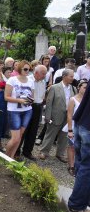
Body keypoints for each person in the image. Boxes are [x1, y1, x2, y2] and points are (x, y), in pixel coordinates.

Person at [39, 69, 76, 162]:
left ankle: (60, 154)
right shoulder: (54, 87)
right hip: (56, 115)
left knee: (64, 136)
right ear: (64, 76)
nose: (73, 78)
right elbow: (49, 103)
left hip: (68, 116)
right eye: (71, 76)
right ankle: (44, 151)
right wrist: (48, 116)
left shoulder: (74, 88)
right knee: (50, 134)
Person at [67, 79, 90, 212]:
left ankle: (83, 200)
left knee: (82, 165)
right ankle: (77, 204)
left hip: (82, 121)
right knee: (86, 167)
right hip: (86, 126)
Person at [4, 60, 34, 159]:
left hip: (27, 110)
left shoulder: (31, 80)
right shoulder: (12, 80)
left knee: (19, 137)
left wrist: (30, 100)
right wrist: (19, 100)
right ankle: (5, 157)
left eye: (29, 69)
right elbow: (6, 97)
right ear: (20, 68)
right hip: (14, 111)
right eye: (25, 69)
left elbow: (32, 96)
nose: (27, 71)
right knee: (15, 138)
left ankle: (11, 158)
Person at [17, 65, 47, 160]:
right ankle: (16, 151)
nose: (45, 75)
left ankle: (27, 151)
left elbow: (42, 94)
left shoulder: (43, 81)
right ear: (36, 73)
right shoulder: (28, 80)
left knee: (33, 131)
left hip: (38, 107)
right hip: (27, 106)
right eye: (43, 73)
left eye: (45, 73)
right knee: (23, 130)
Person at [63, 79, 87, 176]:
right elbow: (69, 115)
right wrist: (70, 130)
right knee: (72, 146)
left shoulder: (87, 100)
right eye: (84, 87)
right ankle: (71, 166)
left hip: (84, 127)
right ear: (79, 88)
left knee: (82, 147)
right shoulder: (73, 99)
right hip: (73, 126)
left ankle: (79, 165)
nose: (86, 89)